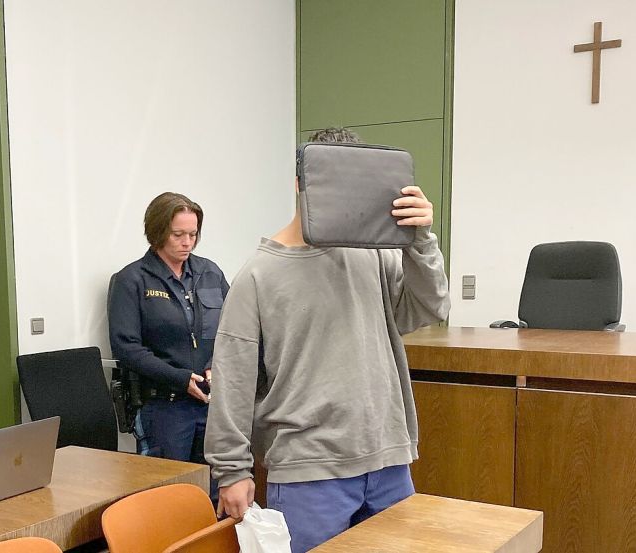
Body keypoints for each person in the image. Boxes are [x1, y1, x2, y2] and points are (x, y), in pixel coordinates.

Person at [204, 128, 450, 552]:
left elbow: (430, 308)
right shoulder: (259, 274)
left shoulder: (375, 254)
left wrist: (419, 239)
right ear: (302, 181)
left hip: (387, 459)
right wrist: (232, 471)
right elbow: (233, 382)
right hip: (308, 471)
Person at [108, 192, 229, 469]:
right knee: (167, 492)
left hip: (210, 404)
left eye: (193, 234)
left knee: (212, 489)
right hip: (163, 408)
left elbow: (232, 330)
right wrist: (179, 378)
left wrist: (215, 365)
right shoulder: (132, 280)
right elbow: (126, 348)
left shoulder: (209, 273)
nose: (187, 242)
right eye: (178, 235)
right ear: (157, 232)